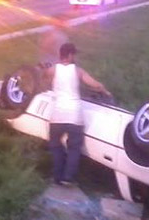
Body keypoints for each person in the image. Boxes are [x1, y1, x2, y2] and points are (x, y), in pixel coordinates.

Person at [43, 43, 111, 186]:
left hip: (56, 116)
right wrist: (105, 91)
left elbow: (41, 75)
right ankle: (68, 178)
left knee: (55, 146)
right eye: (74, 54)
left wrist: (43, 68)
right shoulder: (78, 71)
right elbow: (95, 85)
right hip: (74, 116)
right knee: (74, 148)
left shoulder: (54, 69)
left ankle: (57, 177)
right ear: (70, 55)